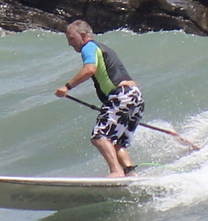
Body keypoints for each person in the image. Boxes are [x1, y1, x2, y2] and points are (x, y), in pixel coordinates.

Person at [55, 19, 143, 177]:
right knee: (117, 142)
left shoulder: (89, 47)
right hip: (135, 95)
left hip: (121, 95)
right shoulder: (102, 48)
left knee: (100, 137)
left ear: (83, 35)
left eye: (71, 38)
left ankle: (116, 171)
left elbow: (90, 69)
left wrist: (67, 87)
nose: (69, 43)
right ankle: (130, 172)